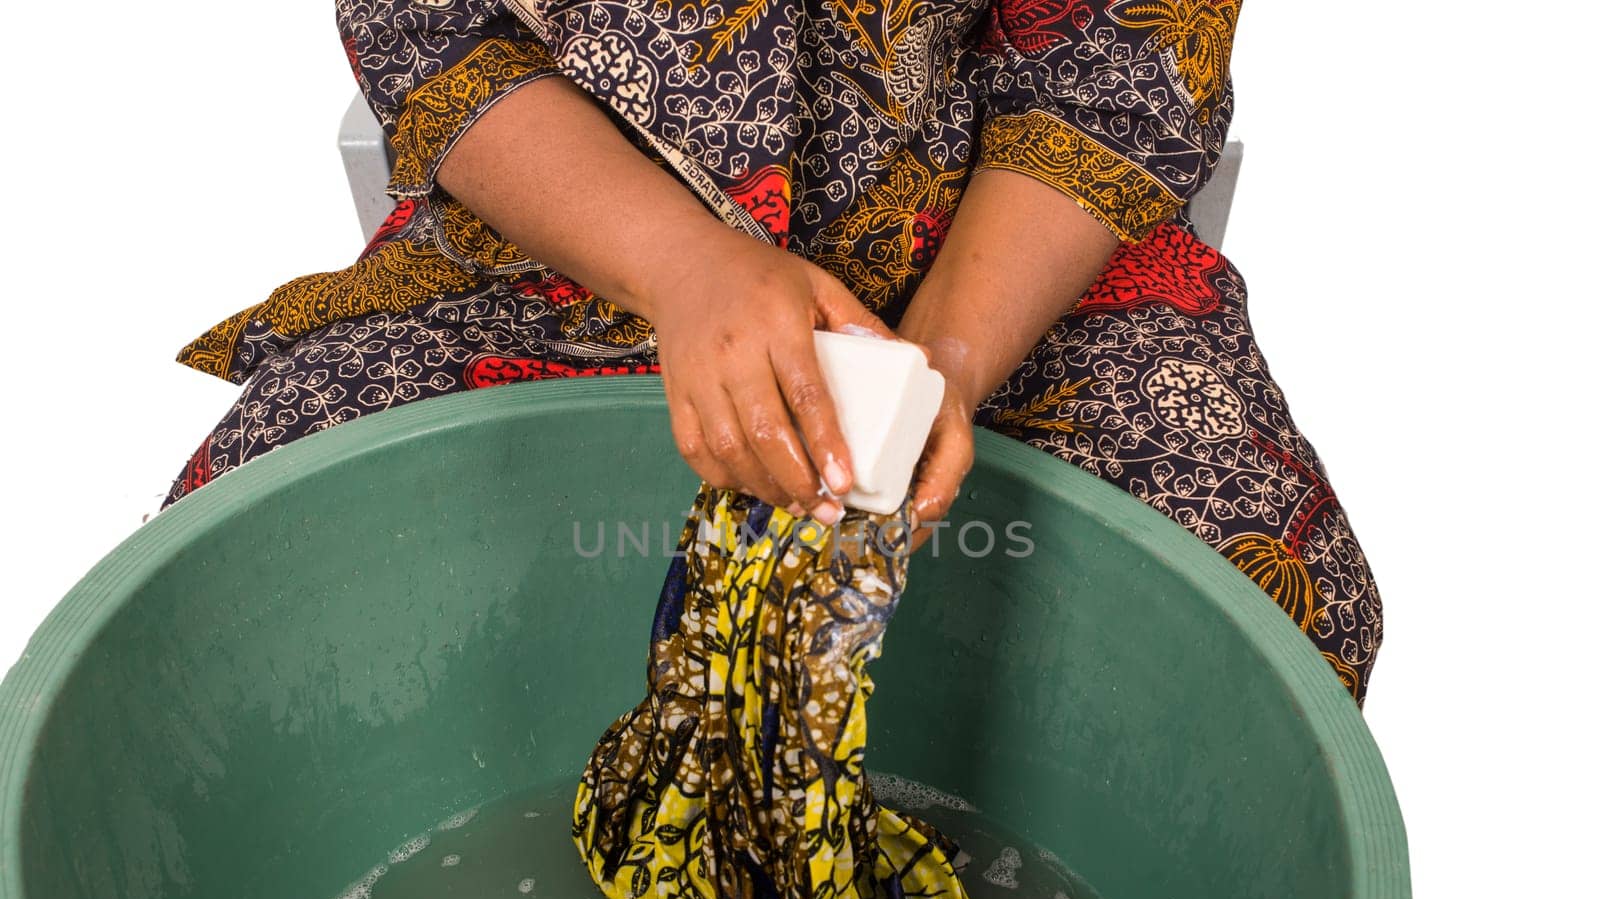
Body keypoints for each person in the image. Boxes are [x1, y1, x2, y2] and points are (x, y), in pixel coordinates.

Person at [164, 0, 1380, 708]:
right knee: (232, 583)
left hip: (982, 245)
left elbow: (1118, 68)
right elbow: (435, 32)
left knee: (1265, 597)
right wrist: (682, 266)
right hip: (560, 250)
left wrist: (934, 368)